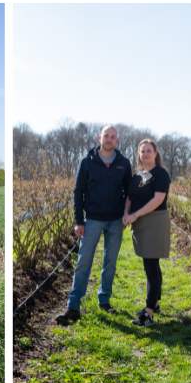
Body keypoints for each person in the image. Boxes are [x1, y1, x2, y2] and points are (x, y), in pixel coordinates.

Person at [55, 125, 132, 324]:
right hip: (92, 220)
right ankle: (73, 306)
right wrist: (78, 220)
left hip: (115, 221)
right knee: (83, 261)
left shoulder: (124, 163)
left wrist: (126, 214)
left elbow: (129, 193)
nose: (109, 139)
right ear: (100, 138)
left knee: (110, 262)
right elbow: (78, 191)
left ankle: (104, 301)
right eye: (106, 136)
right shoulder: (87, 162)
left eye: (113, 137)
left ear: (117, 140)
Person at [123, 139, 171, 327]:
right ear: (139, 154)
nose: (145, 154)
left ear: (155, 153)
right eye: (142, 151)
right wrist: (126, 214)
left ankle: (148, 314)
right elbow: (129, 197)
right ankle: (155, 304)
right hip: (139, 221)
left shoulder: (161, 174)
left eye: (149, 151)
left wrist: (134, 215)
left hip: (155, 221)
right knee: (152, 264)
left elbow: (157, 200)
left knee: (151, 267)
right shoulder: (137, 176)